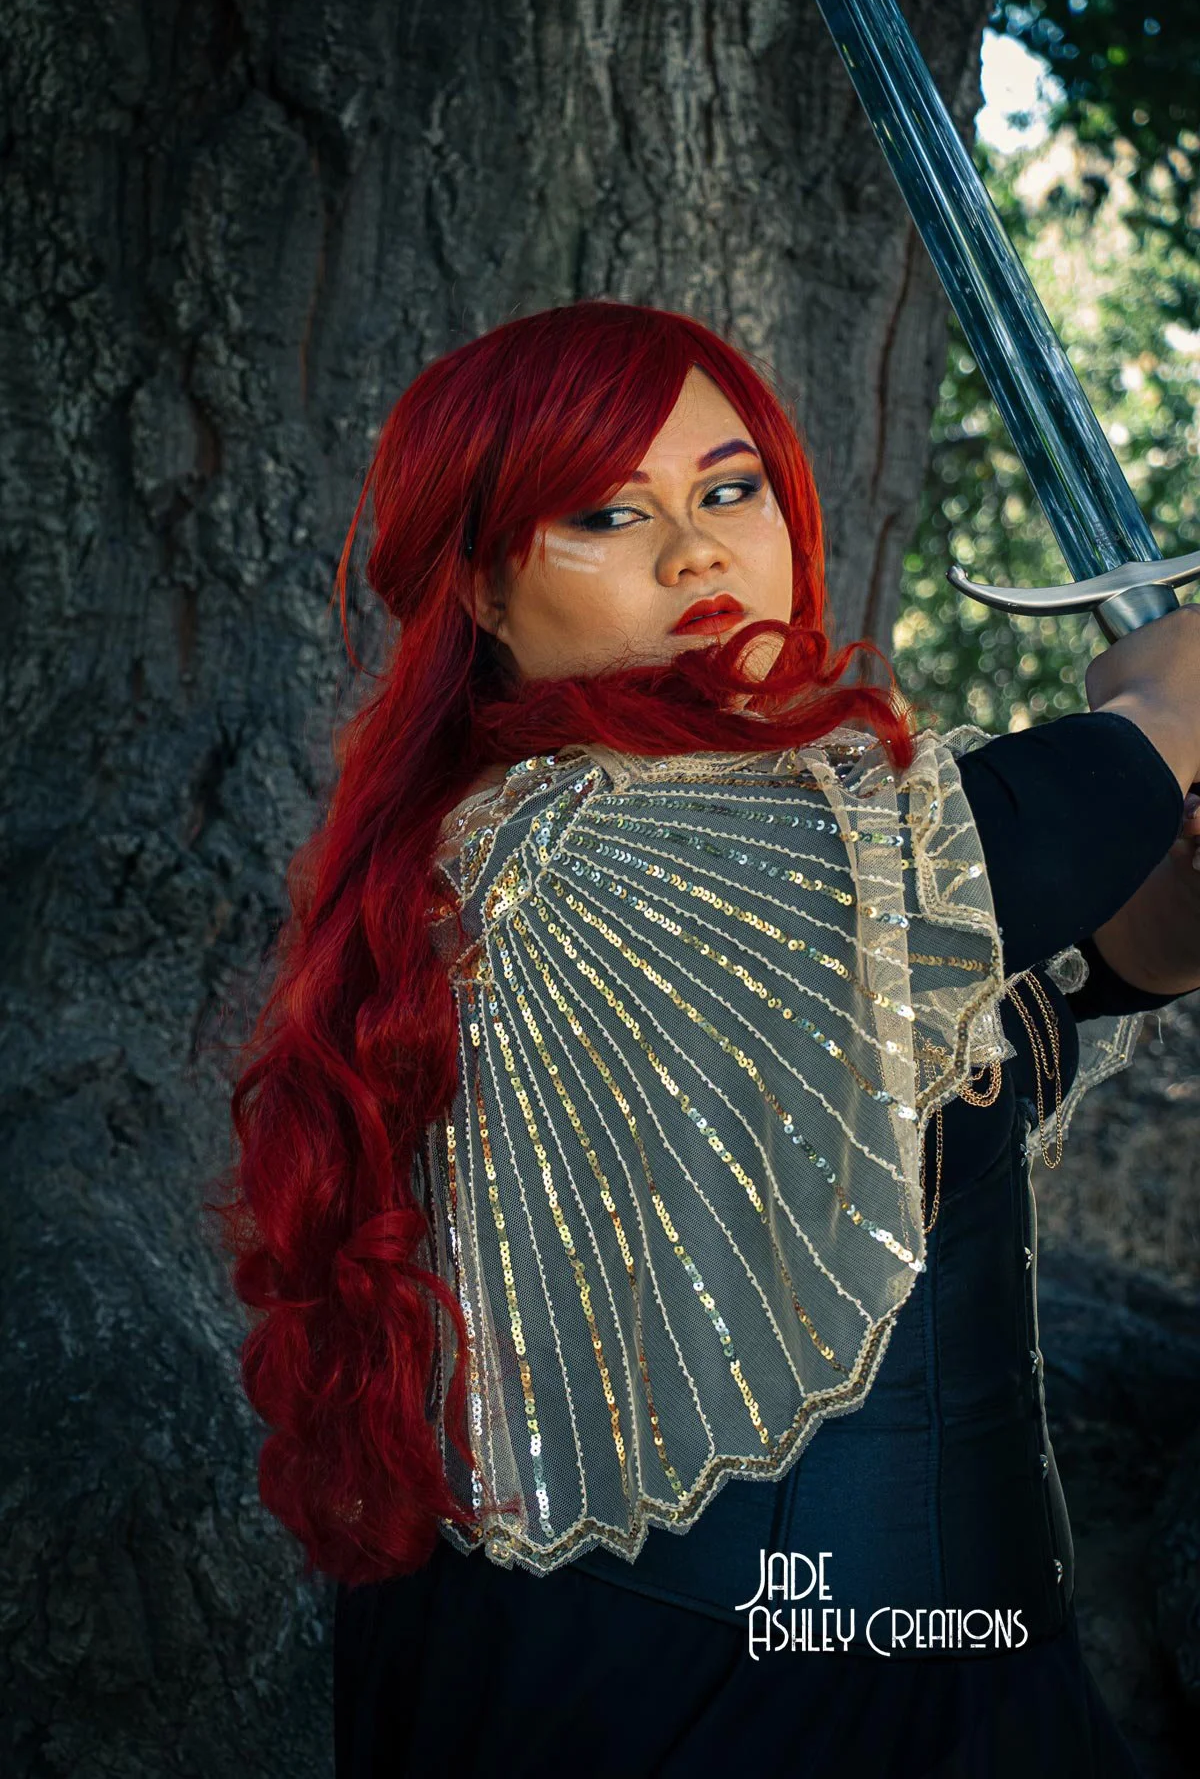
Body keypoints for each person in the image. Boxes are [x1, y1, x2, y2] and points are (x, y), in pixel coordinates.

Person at [212, 300, 1200, 1777]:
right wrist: (1166, 707)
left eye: (730, 491)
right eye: (607, 516)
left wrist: (1175, 893)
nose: (696, 554)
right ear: (482, 589)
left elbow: (1016, 1015)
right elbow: (1017, 846)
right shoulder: (549, 847)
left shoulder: (800, 847)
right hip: (692, 1697)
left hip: (972, 1681)